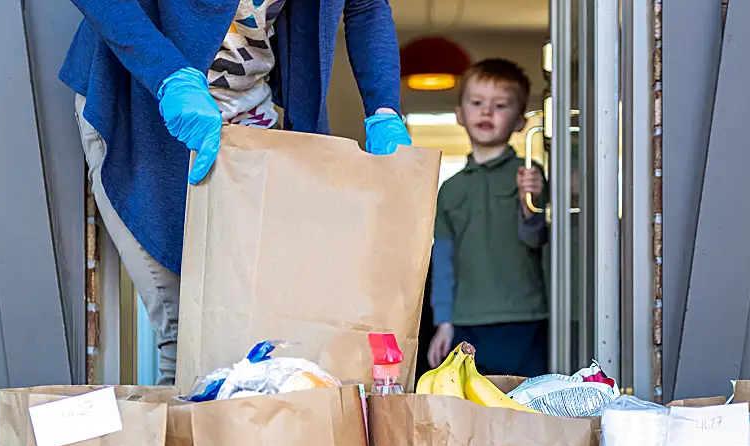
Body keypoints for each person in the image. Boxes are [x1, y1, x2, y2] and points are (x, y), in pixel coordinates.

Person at [61, 0, 412, 385]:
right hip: (147, 97)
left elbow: (365, 6)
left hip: (250, 114)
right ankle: (182, 441)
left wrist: (384, 110)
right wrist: (167, 77)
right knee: (184, 330)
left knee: (263, 325)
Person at [427, 58, 549, 377]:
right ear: (459, 115)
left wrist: (532, 200)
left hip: (524, 316)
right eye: (477, 103)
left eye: (500, 105)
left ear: (520, 121)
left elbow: (538, 239)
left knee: (526, 407)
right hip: (466, 321)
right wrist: (443, 324)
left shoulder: (529, 176)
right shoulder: (450, 189)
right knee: (475, 414)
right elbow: (443, 261)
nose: (486, 112)